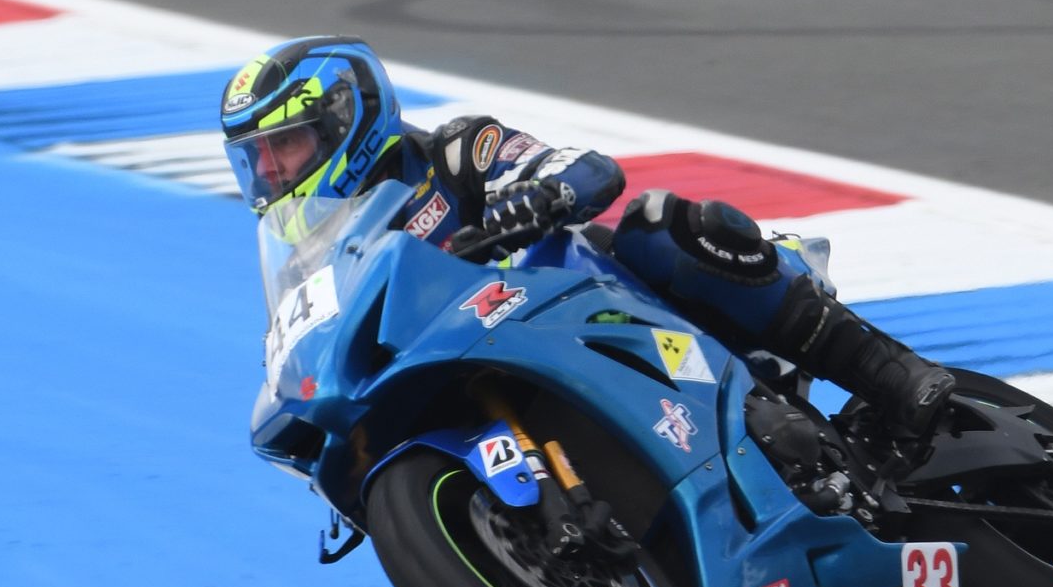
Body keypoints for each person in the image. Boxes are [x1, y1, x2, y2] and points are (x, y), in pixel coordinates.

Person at [219, 36, 952, 434]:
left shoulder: (454, 154)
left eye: (286, 145)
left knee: (660, 228)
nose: (272, 171)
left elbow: (585, 169)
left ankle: (894, 372)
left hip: (589, 311)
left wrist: (535, 198)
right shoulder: (314, 263)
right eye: (257, 158)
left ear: (344, 117)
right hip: (472, 367)